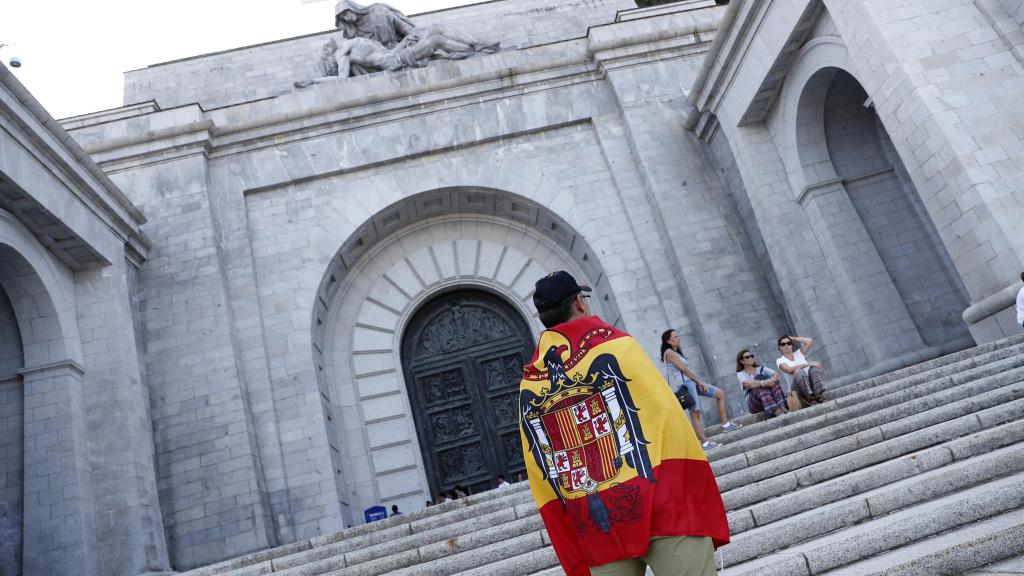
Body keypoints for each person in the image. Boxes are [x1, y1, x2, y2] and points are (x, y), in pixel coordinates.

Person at [519, 271, 728, 576]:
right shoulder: (617, 346)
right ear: (579, 302)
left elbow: (541, 464)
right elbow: (667, 416)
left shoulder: (531, 382)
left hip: (594, 520)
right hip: (661, 502)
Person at [660, 330, 742, 450]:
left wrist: (697, 381)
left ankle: (726, 424)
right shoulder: (669, 352)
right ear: (668, 340)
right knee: (695, 413)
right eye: (675, 337)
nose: (678, 338)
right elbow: (683, 369)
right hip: (686, 384)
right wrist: (700, 381)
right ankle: (704, 443)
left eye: (678, 336)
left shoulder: (677, 352)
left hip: (692, 382)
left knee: (719, 393)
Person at [776, 335, 826, 405]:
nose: (786, 345)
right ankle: (811, 398)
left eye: (789, 343)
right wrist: (808, 364)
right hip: (797, 390)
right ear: (780, 347)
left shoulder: (799, 353)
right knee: (798, 371)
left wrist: (794, 338)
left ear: (792, 345)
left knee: (814, 368)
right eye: (783, 344)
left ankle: (818, 395)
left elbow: (809, 341)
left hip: (810, 385)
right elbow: (789, 370)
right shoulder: (780, 360)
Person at [735, 349, 787, 417]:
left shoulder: (761, 368)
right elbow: (747, 384)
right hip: (755, 404)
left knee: (774, 384)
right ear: (741, 361)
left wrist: (772, 380)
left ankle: (782, 407)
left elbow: (775, 374)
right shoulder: (740, 374)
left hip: (769, 398)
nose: (750, 358)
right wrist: (763, 382)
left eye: (751, 356)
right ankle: (775, 411)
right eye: (747, 357)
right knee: (760, 387)